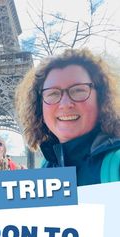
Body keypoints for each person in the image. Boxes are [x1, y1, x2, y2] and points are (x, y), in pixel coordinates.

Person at [15, 48, 120, 186]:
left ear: (101, 99)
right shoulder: (47, 166)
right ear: (39, 107)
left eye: (78, 90)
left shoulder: (116, 164)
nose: (65, 104)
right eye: (52, 93)